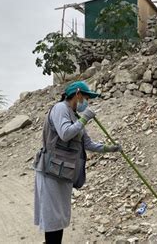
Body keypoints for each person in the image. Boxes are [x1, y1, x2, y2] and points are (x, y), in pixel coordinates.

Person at [34, 81, 122, 244]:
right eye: (86, 97)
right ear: (78, 94)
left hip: (64, 172)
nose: (87, 101)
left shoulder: (74, 116)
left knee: (59, 216)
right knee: (53, 217)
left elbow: (87, 144)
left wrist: (111, 148)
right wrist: (85, 118)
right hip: (51, 170)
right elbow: (65, 133)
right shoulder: (60, 108)